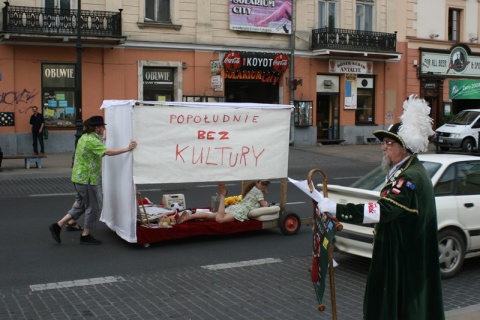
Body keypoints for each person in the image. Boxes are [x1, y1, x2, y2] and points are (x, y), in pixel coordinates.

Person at [318, 95, 445, 320]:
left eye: (389, 143)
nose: (383, 149)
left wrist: (338, 209)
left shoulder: (409, 178)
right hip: (400, 254)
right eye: (383, 143)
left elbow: (382, 210)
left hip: (403, 260)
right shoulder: (405, 171)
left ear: (404, 147)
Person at [49, 115, 137, 245]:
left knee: (80, 205)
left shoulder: (85, 138)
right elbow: (108, 152)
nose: (103, 129)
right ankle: (85, 235)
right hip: (87, 180)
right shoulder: (92, 141)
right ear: (97, 128)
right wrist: (127, 148)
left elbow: (97, 144)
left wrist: (103, 136)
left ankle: (58, 225)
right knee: (93, 207)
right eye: (102, 127)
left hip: (78, 178)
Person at [178, 180, 271, 223]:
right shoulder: (258, 192)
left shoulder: (253, 188)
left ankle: (189, 216)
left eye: (266, 184)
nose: (264, 185)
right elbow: (264, 205)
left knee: (211, 216)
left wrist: (264, 190)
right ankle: (223, 194)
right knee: (220, 219)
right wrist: (266, 203)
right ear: (256, 182)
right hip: (241, 211)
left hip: (236, 207)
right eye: (263, 183)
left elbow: (258, 195)